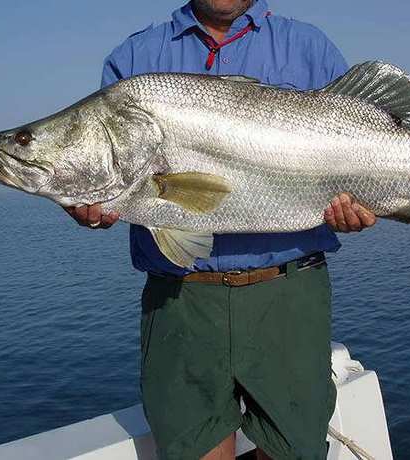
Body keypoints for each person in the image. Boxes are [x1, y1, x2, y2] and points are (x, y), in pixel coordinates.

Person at [64, 1, 376, 458]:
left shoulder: (308, 46)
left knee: (295, 449)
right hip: (179, 301)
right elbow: (112, 174)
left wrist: (359, 210)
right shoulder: (134, 58)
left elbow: (369, 143)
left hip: (290, 295)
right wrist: (89, 200)